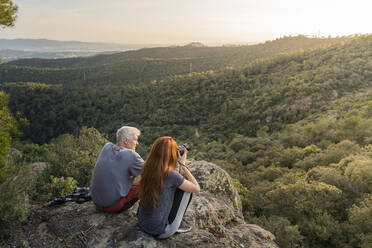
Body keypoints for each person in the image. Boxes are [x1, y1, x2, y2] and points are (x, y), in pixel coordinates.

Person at [138, 136, 200, 239]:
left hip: (142, 223)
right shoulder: (170, 175)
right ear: (171, 154)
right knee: (186, 192)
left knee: (176, 187)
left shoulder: (146, 166)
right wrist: (182, 165)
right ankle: (176, 223)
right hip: (159, 231)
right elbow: (196, 188)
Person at [90, 126, 144, 213]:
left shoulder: (106, 147)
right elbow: (151, 171)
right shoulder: (131, 155)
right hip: (113, 206)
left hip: (96, 203)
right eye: (135, 139)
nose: (137, 143)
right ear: (126, 140)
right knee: (147, 184)